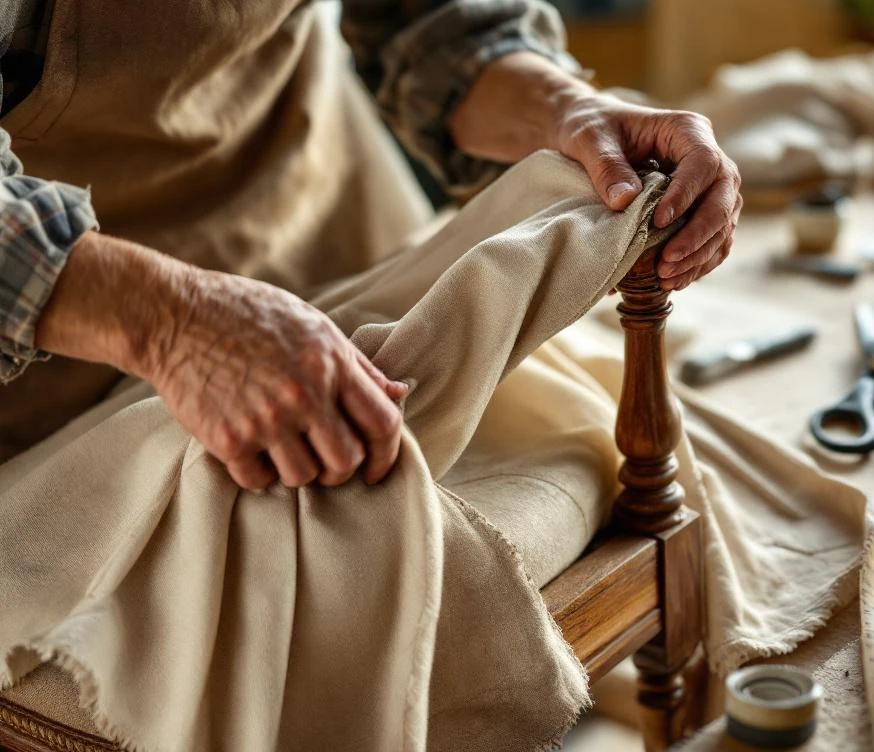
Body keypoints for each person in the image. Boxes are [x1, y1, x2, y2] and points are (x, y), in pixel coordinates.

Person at [0, 0, 741, 488]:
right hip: (60, 332)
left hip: (321, 195)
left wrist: (566, 109)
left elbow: (429, 20)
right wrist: (171, 323)